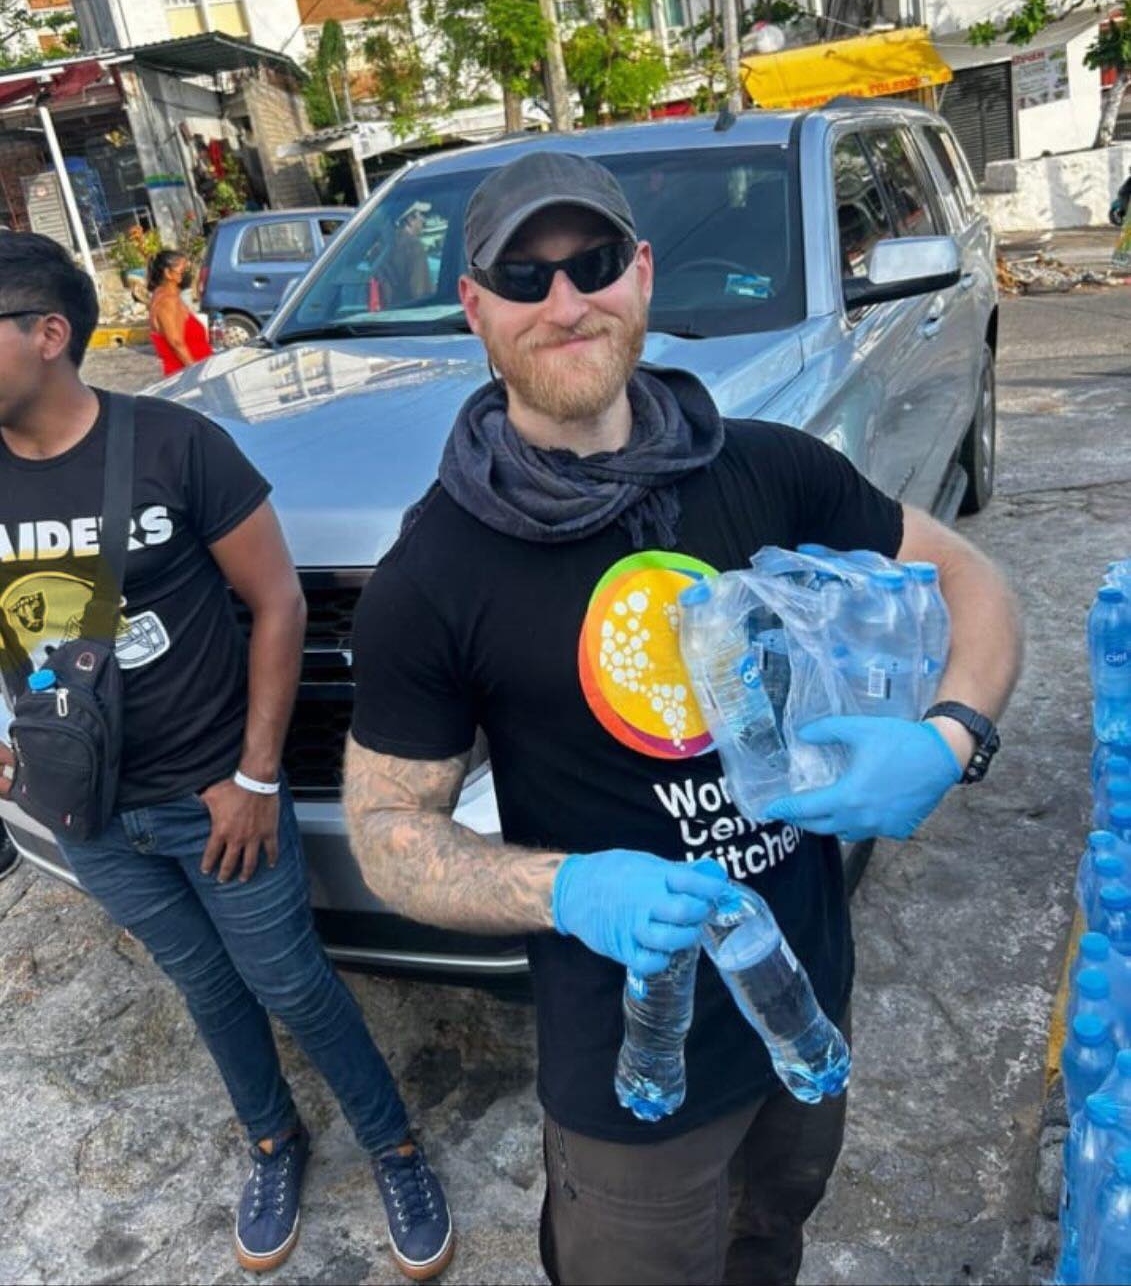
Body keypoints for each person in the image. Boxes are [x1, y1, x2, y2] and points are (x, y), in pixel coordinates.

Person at [343, 152, 1023, 1286]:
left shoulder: (766, 469)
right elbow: (385, 832)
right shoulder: (436, 571)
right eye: (524, 274)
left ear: (643, 275)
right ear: (475, 308)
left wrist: (950, 739)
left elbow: (972, 581)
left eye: (594, 263)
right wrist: (563, 889)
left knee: (772, 1245)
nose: (566, 302)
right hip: (632, 1073)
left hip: (805, 999)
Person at [0, 233, 453, 1283]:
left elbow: (278, 601)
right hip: (90, 811)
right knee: (202, 986)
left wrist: (255, 777)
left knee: (291, 981)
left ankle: (392, 1146)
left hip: (215, 799)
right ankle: (271, 1142)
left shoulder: (171, 444)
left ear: (48, 335)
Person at [147, 249, 213, 375]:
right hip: (187, 376)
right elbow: (176, 344)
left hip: (197, 369)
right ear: (168, 273)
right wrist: (198, 375)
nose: (186, 274)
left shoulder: (166, 296)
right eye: (182, 271)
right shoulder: (167, 302)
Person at [381, 202, 432, 306]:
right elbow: (419, 290)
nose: (423, 220)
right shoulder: (414, 246)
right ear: (410, 219)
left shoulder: (385, 245)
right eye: (420, 215)